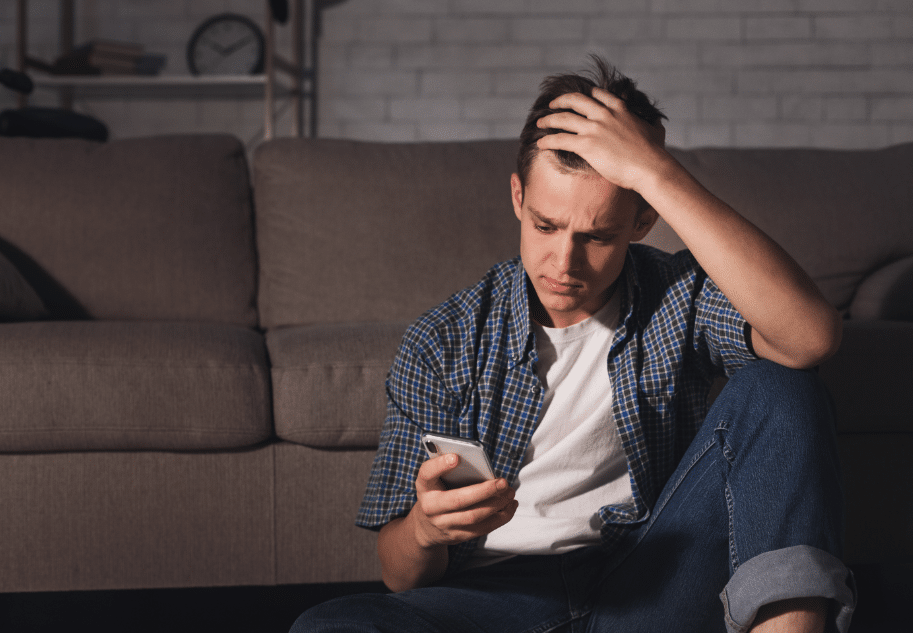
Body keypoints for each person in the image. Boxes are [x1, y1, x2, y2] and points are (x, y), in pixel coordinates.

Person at [291, 56, 856, 633]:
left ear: (642, 222)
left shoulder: (678, 295)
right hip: (497, 601)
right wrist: (425, 529)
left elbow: (808, 339)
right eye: (545, 226)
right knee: (329, 625)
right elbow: (397, 575)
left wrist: (657, 173)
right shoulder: (443, 340)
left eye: (598, 236)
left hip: (652, 582)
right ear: (517, 196)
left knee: (780, 384)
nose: (564, 264)